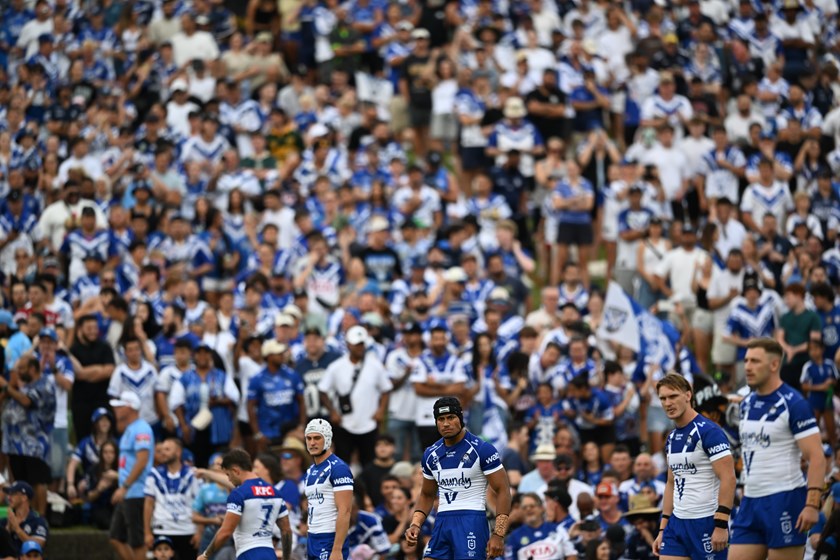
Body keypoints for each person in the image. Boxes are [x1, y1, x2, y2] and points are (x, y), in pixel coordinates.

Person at [729, 338, 826, 560]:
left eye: (755, 361)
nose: (747, 367)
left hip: (785, 499)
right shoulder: (746, 403)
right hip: (750, 501)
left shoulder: (794, 403)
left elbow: (817, 457)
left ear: (774, 365)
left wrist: (812, 504)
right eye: (745, 360)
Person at [405, 397, 512, 560]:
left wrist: (499, 534)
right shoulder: (430, 454)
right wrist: (415, 524)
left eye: (451, 417)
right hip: (442, 522)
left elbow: (503, 489)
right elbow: (427, 494)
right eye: (441, 419)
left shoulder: (482, 449)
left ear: (461, 418)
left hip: (471, 521)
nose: (446, 423)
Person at [652, 373, 736, 560]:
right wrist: (662, 528)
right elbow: (671, 484)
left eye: (673, 396)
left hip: (706, 522)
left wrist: (721, 525)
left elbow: (728, 478)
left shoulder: (710, 431)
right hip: (677, 523)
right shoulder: (672, 437)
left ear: (688, 395)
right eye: (663, 398)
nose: (667, 403)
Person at [197, 448, 293, 560]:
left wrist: (205, 555)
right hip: (270, 554)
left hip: (248, 554)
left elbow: (226, 532)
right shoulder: (275, 492)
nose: (229, 480)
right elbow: (286, 530)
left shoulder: (239, 494)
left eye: (228, 475)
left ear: (236, 471)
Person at [0, 354, 55, 516]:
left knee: (38, 481)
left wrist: (6, 386)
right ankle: (24, 518)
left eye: (22, 368)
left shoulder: (44, 385)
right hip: (15, 446)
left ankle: (40, 518)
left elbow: (27, 402)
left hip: (34, 444)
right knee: (20, 484)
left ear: (32, 369)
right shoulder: (20, 387)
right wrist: (9, 387)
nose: (18, 372)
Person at [109, 391, 154, 560]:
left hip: (137, 491)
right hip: (128, 491)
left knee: (137, 541)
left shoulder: (142, 428)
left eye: (119, 406)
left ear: (129, 407)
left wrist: (125, 486)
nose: (116, 410)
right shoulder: (130, 429)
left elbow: (142, 460)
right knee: (115, 537)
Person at [303, 418, 354, 560]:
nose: (312, 443)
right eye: (309, 438)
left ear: (327, 439)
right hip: (312, 537)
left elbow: (345, 510)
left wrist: (337, 549)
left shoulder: (338, 468)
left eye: (317, 438)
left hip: (330, 538)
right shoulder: (309, 471)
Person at [143, 437, 200, 560]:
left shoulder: (192, 474)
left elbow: (199, 504)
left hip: (187, 530)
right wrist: (147, 532)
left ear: (178, 452)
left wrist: (199, 531)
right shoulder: (154, 474)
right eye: (162, 450)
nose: (163, 453)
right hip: (162, 528)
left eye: (167, 449)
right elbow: (148, 504)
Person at [504, 492, 576, 560]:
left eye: (532, 506)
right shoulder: (514, 537)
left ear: (541, 508)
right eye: (524, 507)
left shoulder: (559, 530)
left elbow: (571, 555)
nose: (528, 509)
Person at [0, 482, 48, 559]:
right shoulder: (5, 520)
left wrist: (17, 529)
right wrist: (8, 529)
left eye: (13, 494)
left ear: (24, 497)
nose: (9, 497)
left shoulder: (38, 521)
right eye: (9, 494)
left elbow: (38, 544)